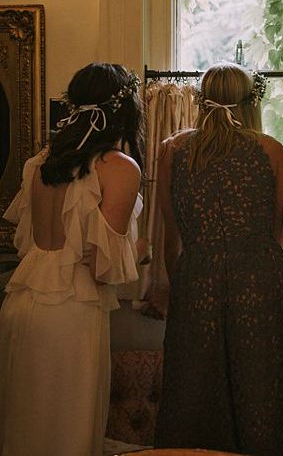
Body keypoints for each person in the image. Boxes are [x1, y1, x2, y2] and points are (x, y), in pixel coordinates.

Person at [154, 63, 283, 455]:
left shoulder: (172, 149)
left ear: (200, 100)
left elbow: (171, 234)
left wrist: (179, 282)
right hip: (260, 278)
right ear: (252, 100)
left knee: (195, 391)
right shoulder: (269, 148)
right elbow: (276, 231)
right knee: (261, 390)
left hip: (197, 275)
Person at [0, 63, 144, 456]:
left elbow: (29, 240)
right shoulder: (117, 167)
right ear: (124, 108)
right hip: (71, 306)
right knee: (68, 428)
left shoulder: (43, 161)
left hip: (23, 299)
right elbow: (102, 264)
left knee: (26, 425)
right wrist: (139, 253)